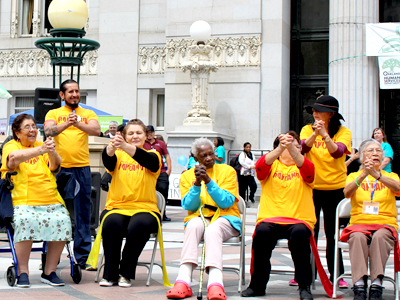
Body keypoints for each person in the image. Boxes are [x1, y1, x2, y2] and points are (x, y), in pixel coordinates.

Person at [241, 131, 316, 299]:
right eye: (284, 145)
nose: (289, 148)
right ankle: (257, 285)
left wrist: (292, 148)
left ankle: (304, 286)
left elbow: (309, 172)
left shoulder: (306, 164)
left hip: (299, 219)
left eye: (294, 145)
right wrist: (281, 147)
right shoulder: (271, 165)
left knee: (299, 235)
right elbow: (260, 166)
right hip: (271, 218)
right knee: (261, 233)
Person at [1, 114, 72, 287]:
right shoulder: (11, 145)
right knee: (25, 220)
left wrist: (52, 151)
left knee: (62, 220)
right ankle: (22, 271)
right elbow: (13, 159)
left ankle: (49, 272)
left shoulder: (42, 146)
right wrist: (41, 150)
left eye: (34, 126)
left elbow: (55, 166)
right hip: (22, 199)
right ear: (17, 132)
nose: (32, 130)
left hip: (50, 198)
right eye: (27, 127)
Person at [166, 137, 241, 300]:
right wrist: (197, 185)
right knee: (193, 225)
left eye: (211, 154)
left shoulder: (228, 171)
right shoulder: (187, 176)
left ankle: (215, 282)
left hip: (226, 216)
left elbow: (226, 201)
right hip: (199, 217)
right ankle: (183, 279)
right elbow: (189, 206)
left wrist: (208, 181)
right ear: (196, 158)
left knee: (213, 230)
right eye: (203, 156)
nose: (208, 158)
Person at [97, 119, 162, 287]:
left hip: (145, 208)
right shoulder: (118, 155)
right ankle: (110, 274)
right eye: (130, 133)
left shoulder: (154, 155)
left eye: (138, 133)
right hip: (117, 206)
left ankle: (125, 272)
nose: (135, 136)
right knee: (112, 222)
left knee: (138, 225)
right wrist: (110, 149)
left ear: (146, 136)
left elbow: (147, 161)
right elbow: (108, 161)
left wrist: (123, 146)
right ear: (124, 136)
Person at [44, 79, 101, 270]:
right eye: (70, 92)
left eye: (77, 91)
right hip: (58, 169)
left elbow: (96, 130)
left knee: (83, 212)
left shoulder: (87, 113)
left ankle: (82, 257)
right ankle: (51, 258)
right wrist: (67, 124)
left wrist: (77, 123)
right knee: (54, 212)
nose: (75, 94)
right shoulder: (54, 113)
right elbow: (48, 131)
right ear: (62, 95)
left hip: (81, 168)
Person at [299, 95, 351, 288]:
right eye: (313, 111)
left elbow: (337, 152)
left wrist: (325, 135)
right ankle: (306, 273)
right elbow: (303, 147)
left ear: (330, 114)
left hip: (335, 189)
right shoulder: (307, 129)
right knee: (308, 231)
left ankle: (337, 274)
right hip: (311, 188)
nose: (315, 114)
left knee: (332, 234)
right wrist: (315, 134)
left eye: (318, 111)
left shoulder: (343, 132)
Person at [343, 139, 400, 300]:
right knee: (358, 237)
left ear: (383, 157)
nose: (375, 153)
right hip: (359, 224)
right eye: (370, 151)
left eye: (378, 151)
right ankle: (359, 284)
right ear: (362, 156)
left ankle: (376, 283)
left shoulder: (392, 175)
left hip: (385, 223)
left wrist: (378, 175)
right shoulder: (354, 176)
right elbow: (347, 193)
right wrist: (363, 175)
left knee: (380, 237)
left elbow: (398, 189)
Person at [144, 125, 172, 221]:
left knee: (163, 189)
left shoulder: (160, 143)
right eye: (147, 133)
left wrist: (169, 169)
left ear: (153, 133)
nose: (149, 134)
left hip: (161, 172)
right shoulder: (143, 143)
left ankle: (163, 213)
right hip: (148, 172)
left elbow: (167, 156)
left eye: (151, 132)